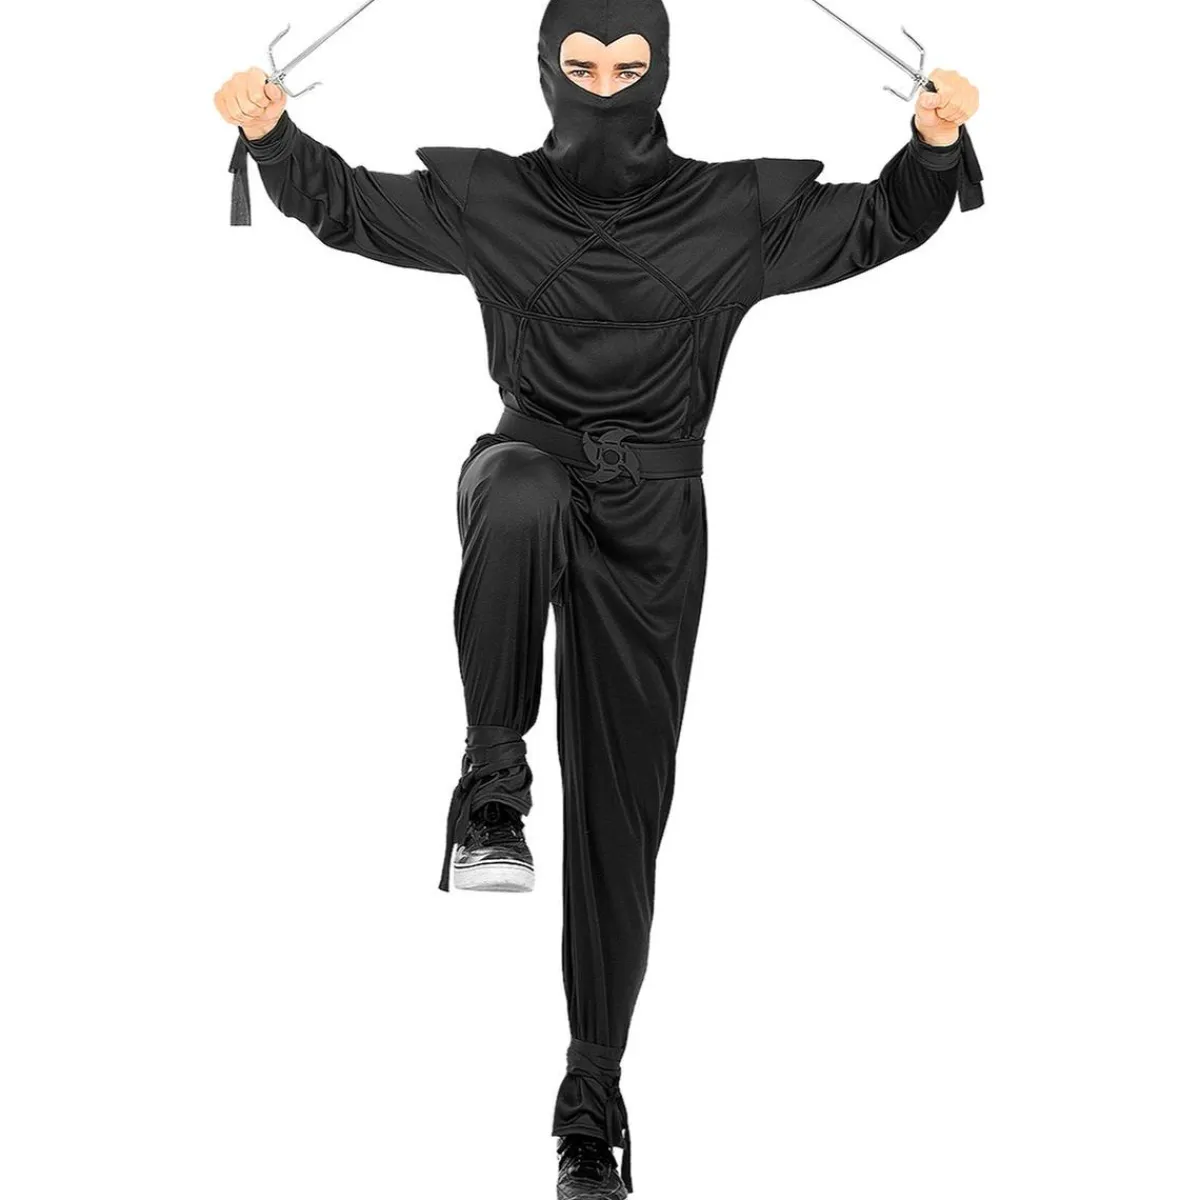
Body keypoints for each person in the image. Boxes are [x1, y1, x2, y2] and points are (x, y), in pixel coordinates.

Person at [214, 0, 981, 1193]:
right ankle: (490, 789)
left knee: (624, 814)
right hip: (528, 462)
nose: (606, 87)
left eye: (629, 66)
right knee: (519, 490)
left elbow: (882, 221)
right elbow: (351, 207)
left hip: (657, 520)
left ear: (664, 69)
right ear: (544, 70)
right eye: (580, 65)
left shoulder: (731, 214)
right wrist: (270, 133)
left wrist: (934, 143)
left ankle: (591, 1105)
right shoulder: (496, 201)